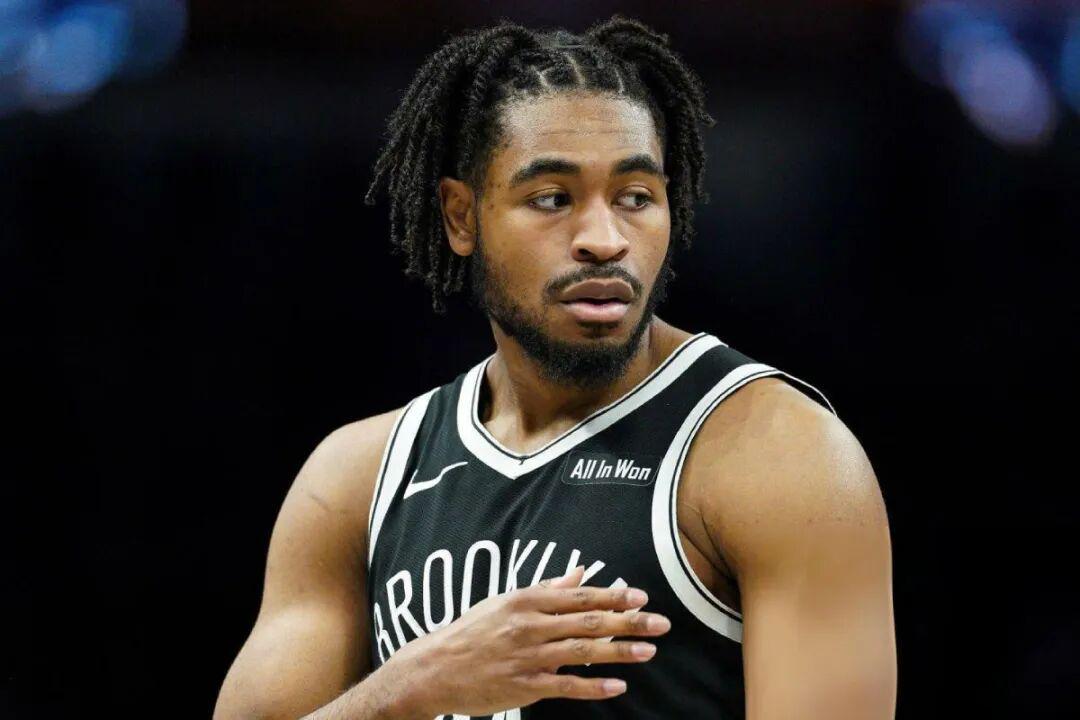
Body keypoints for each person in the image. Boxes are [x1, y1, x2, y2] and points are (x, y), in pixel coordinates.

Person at [214, 15, 896, 720]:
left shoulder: (783, 458)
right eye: (552, 199)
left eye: (635, 198)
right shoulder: (356, 478)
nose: (604, 239)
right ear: (461, 217)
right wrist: (408, 689)